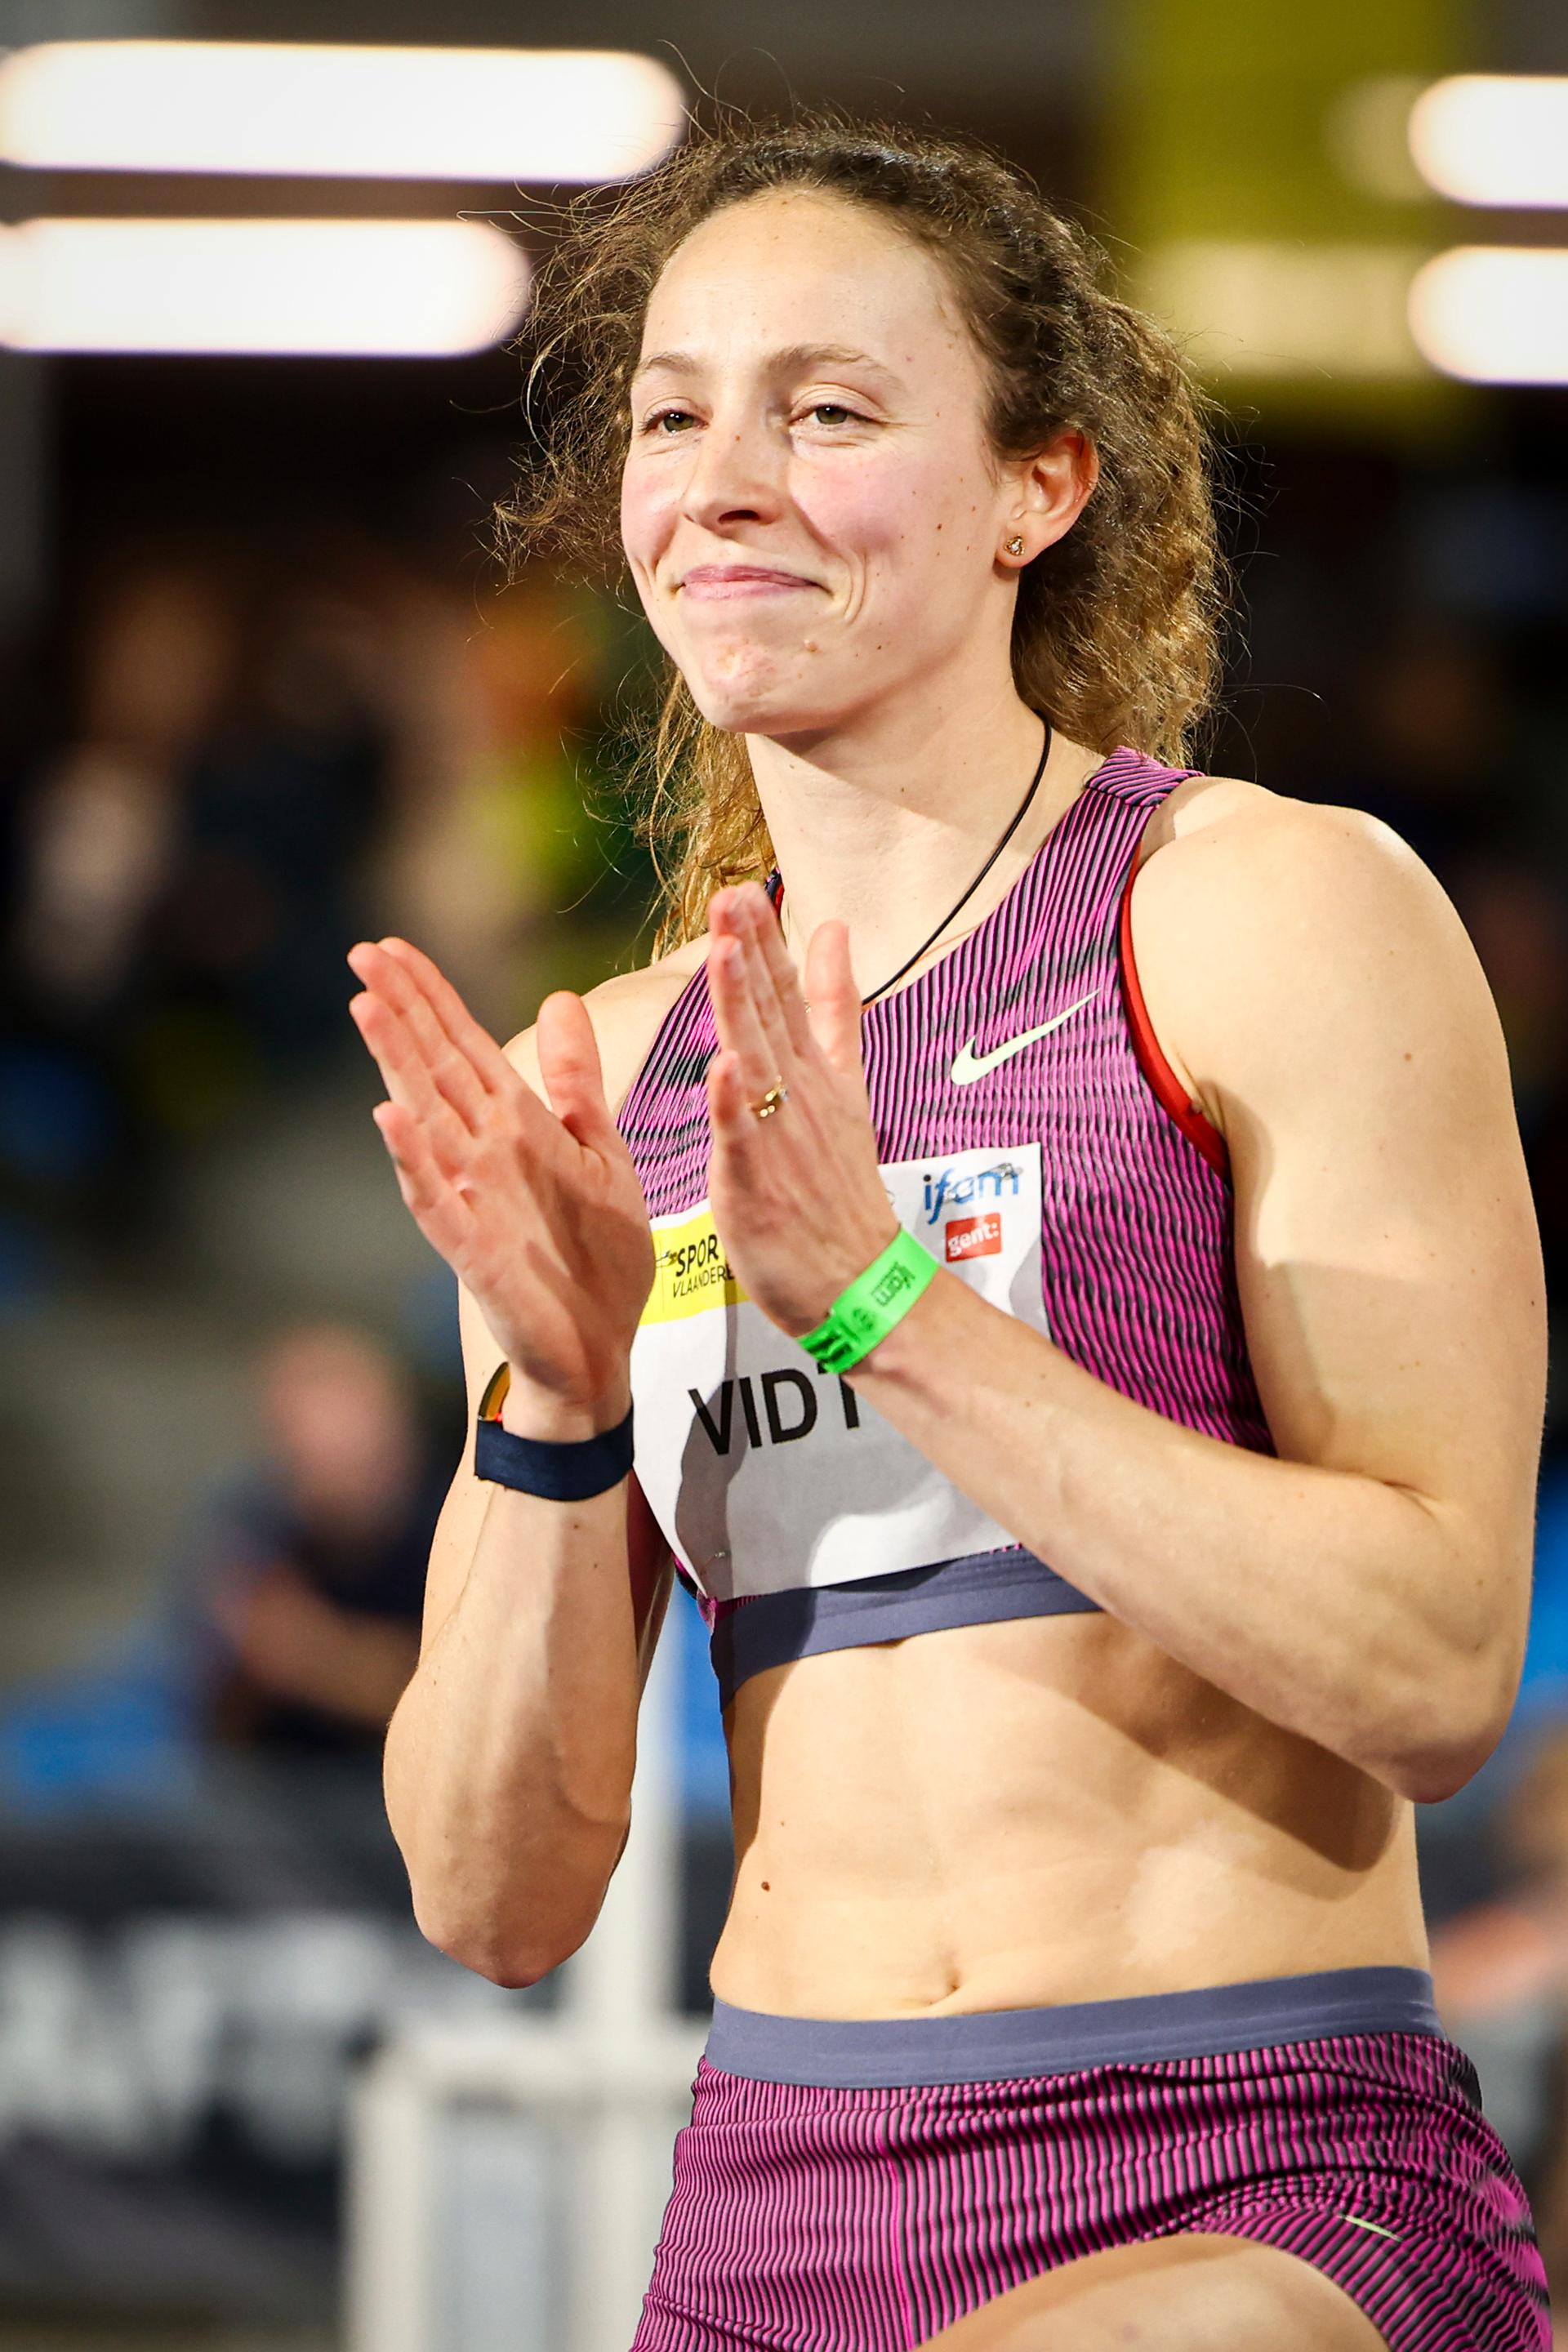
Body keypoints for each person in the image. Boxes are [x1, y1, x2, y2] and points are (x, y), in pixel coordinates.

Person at [345, 117, 1550, 2352]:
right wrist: (563, 1406)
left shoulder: (1263, 915)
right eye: (677, 412)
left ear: (1041, 488)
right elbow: (492, 1897)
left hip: (1249, 2181)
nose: (723, 478)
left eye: (828, 409)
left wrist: (892, 1308)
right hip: (772, 2212)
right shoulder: (605, 1088)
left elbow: (1437, 1670)